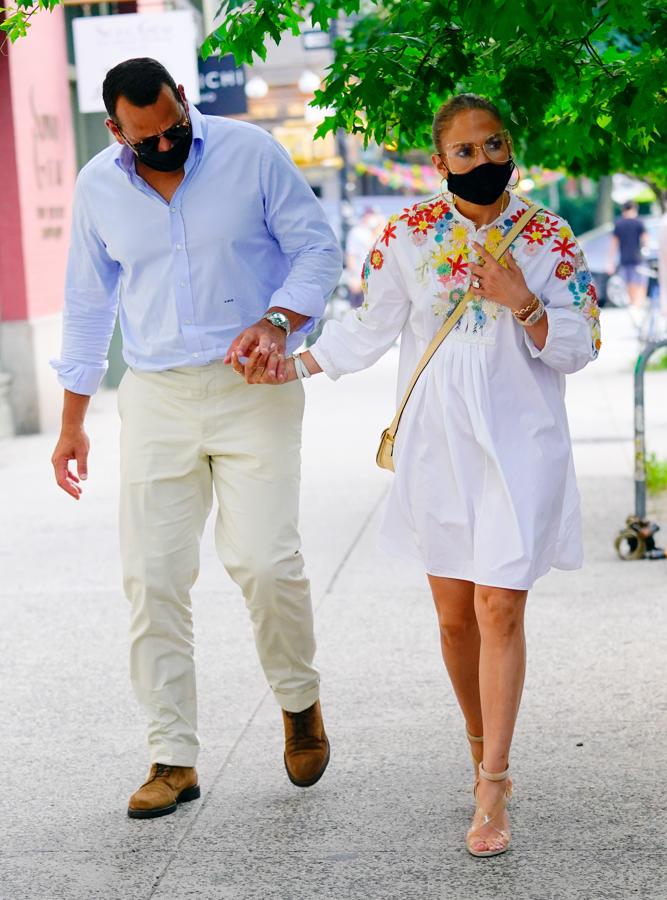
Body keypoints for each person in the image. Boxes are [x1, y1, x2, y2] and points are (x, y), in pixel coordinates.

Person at [233, 93, 601, 857]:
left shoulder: (549, 239)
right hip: (437, 444)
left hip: (520, 443)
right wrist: (295, 363)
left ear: (510, 146)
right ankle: (477, 746)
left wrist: (523, 301)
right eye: (463, 152)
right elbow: (370, 329)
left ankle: (492, 784)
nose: (481, 161)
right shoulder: (405, 235)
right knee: (454, 618)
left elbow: (579, 345)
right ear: (439, 164)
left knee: (500, 608)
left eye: (492, 144)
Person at [50, 57, 342, 819]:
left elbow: (317, 248)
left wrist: (278, 318)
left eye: (174, 125)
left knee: (264, 562)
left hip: (256, 389)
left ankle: (298, 702)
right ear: (117, 130)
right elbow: (87, 304)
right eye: (147, 137)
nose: (166, 142)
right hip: (156, 397)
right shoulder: (98, 187)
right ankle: (172, 758)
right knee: (152, 578)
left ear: (182, 98)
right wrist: (73, 422)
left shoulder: (249, 153)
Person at [609, 200, 648, 309]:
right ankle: (637, 305)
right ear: (634, 209)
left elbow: (613, 244)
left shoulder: (619, 224)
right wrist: (645, 249)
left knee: (629, 283)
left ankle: (633, 304)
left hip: (624, 259)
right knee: (640, 282)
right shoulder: (639, 222)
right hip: (638, 259)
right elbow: (645, 240)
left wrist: (610, 262)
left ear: (623, 210)